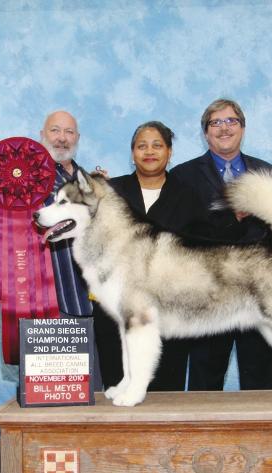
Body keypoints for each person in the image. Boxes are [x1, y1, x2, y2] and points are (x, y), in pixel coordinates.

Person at [0, 110, 102, 388]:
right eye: (55, 131)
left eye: (69, 132)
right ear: (41, 136)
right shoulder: (26, 175)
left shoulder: (87, 179)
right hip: (43, 299)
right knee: (45, 391)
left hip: (86, 297)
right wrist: (0, 180)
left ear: (78, 138)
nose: (62, 138)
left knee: (84, 390)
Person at [170, 98, 272, 391]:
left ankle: (260, 436)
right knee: (205, 378)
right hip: (209, 292)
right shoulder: (183, 175)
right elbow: (184, 234)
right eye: (215, 122)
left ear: (242, 128)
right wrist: (232, 217)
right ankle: (204, 438)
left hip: (257, 292)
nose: (224, 128)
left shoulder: (266, 171)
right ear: (205, 132)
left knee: (261, 375)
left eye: (231, 121)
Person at [94, 121, 202, 391]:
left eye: (157, 145)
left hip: (171, 309)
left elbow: (200, 250)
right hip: (118, 309)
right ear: (132, 154)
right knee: (120, 385)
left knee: (166, 389)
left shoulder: (190, 195)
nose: (149, 151)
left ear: (170, 152)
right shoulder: (110, 192)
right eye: (142, 146)